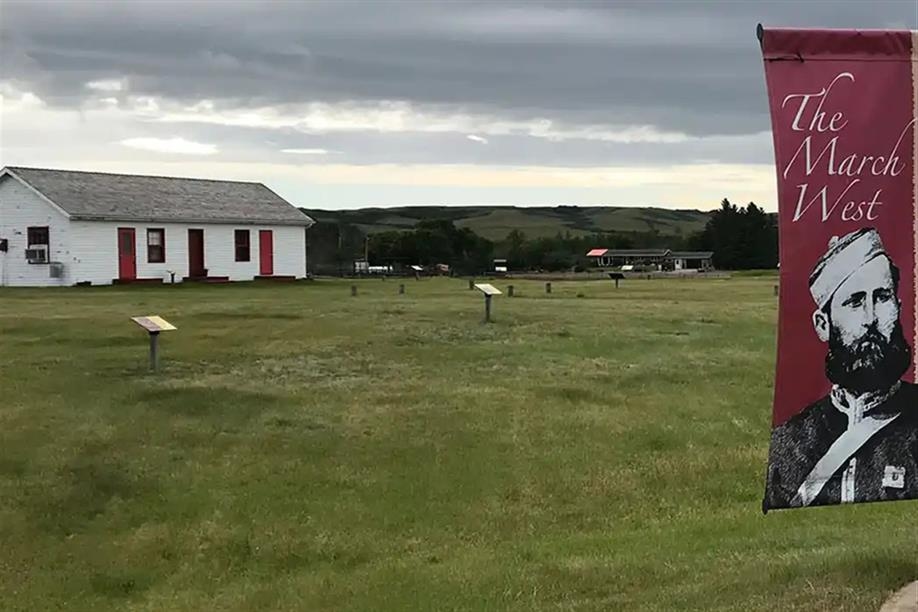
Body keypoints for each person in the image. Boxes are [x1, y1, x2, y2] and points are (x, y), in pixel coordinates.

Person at [764, 228, 918, 511]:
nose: (871, 318)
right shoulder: (791, 441)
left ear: (897, 307)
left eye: (882, 297)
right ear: (823, 325)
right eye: (855, 301)